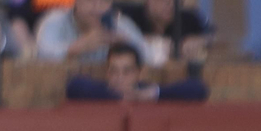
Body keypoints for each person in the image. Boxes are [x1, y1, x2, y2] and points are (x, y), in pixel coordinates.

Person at [34, 0, 149, 65]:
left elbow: (149, 58)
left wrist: (128, 48)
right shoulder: (54, 21)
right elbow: (40, 56)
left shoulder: (120, 25)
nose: (96, 6)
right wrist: (76, 48)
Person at [118, 0, 213, 65]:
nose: (169, 4)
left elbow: (212, 36)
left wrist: (199, 41)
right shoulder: (129, 16)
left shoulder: (191, 19)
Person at [65, 42, 208, 102]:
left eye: (127, 71)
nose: (119, 78)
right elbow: (74, 86)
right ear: (107, 72)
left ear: (140, 73)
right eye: (114, 71)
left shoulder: (147, 91)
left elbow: (199, 89)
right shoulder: (100, 92)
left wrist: (152, 94)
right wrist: (117, 96)